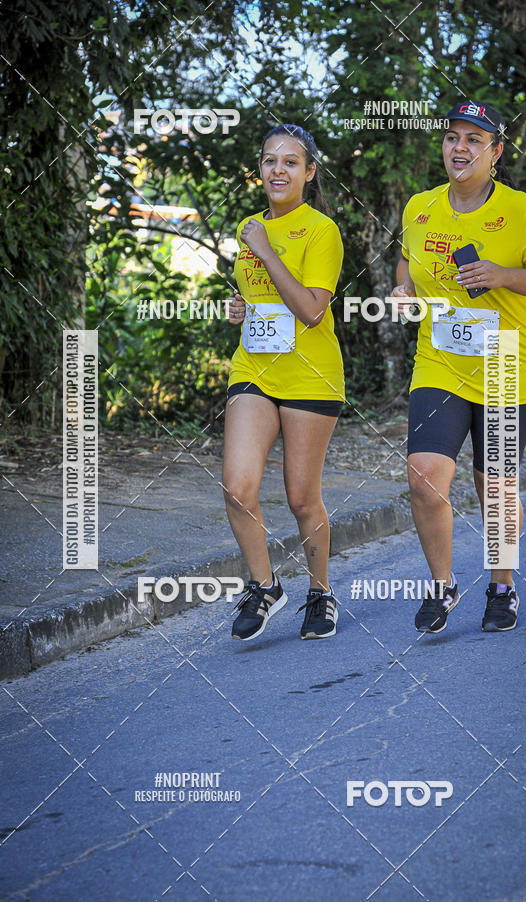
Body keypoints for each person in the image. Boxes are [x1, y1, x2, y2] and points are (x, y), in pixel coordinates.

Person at [392, 100, 526, 634]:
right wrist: (403, 288)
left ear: (496, 152)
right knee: (424, 478)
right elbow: (408, 259)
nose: (460, 147)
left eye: (475, 139)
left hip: (506, 363)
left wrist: (501, 274)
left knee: (492, 486)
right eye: (452, 137)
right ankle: (443, 586)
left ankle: (501, 585)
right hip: (440, 361)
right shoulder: (420, 207)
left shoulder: (520, 211)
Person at [222, 124, 345, 641]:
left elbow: (313, 311)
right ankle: (265, 585)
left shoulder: (321, 231)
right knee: (237, 485)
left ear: (308, 172)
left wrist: (267, 250)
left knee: (301, 498)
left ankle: (320, 592)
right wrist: (240, 309)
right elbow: (261, 298)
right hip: (254, 367)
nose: (278, 169)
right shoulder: (251, 225)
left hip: (310, 376)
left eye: (290, 162)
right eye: (270, 160)